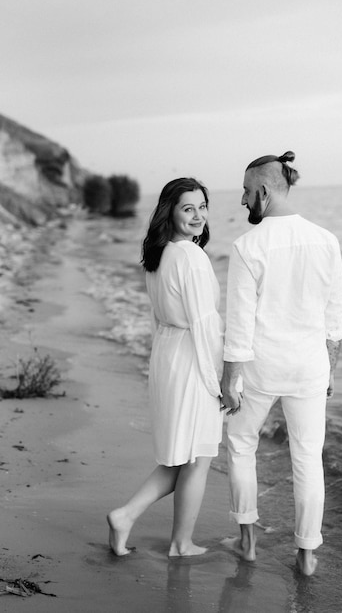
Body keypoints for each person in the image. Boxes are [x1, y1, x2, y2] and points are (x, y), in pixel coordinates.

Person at [220, 152, 342, 575]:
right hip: (310, 365)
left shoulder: (247, 245)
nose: (242, 200)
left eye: (245, 191)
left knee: (240, 445)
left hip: (261, 366)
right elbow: (335, 317)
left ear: (264, 190)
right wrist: (331, 369)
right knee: (309, 459)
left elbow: (238, 322)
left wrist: (228, 381)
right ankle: (307, 554)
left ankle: (249, 542)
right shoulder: (326, 240)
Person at [107, 177, 224, 557]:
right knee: (196, 458)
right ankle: (181, 543)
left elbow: (160, 320)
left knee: (181, 457)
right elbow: (205, 324)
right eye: (188, 208)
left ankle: (126, 515)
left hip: (168, 354)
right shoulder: (191, 257)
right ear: (170, 213)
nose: (198, 216)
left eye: (202, 207)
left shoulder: (159, 256)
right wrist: (219, 381)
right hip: (191, 358)